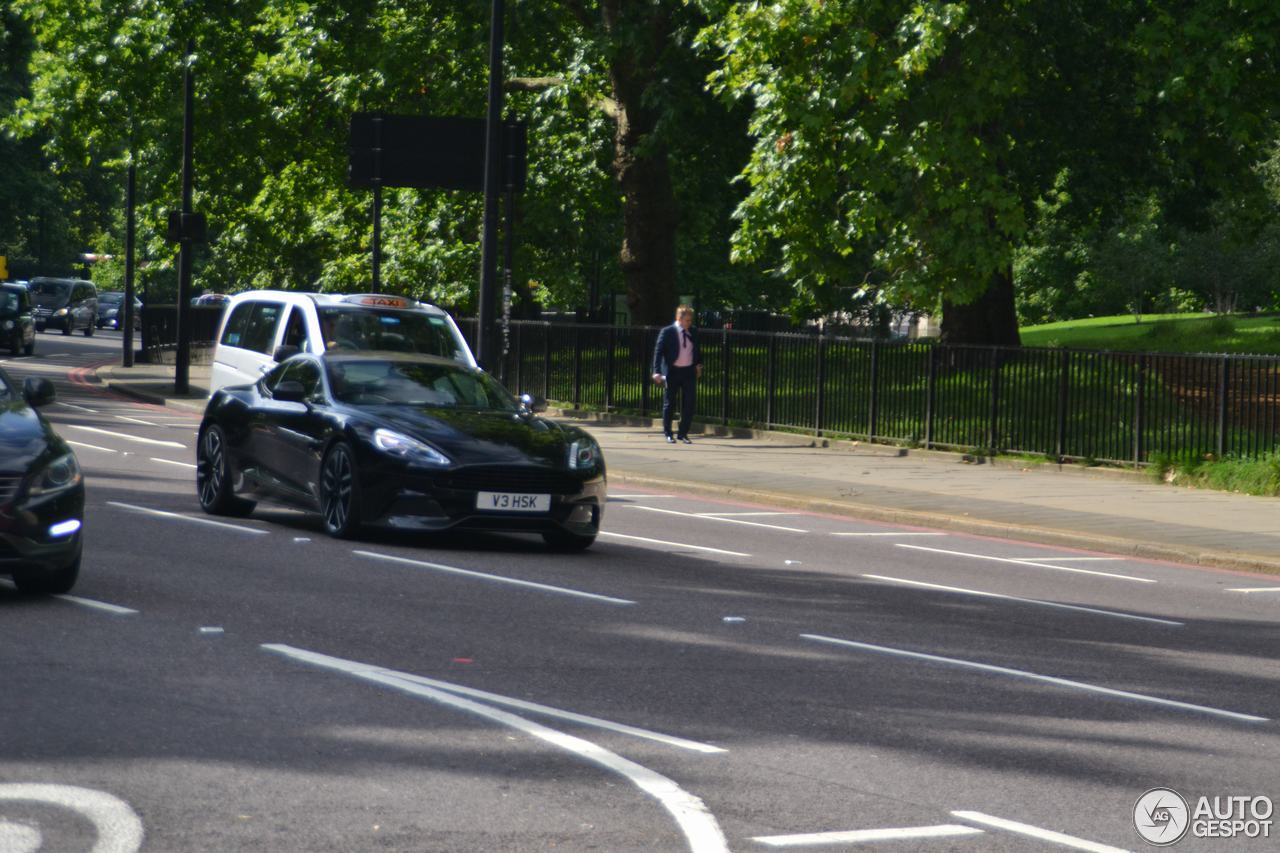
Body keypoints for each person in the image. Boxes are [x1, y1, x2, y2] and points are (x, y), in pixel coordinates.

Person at [651, 305, 702, 444]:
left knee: (689, 403)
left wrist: (698, 365)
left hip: (688, 372)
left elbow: (697, 350)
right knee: (670, 403)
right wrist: (657, 371)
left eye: (691, 320)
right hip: (673, 371)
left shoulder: (693, 331)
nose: (689, 323)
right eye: (687, 320)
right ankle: (668, 433)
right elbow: (658, 352)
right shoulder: (667, 332)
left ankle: (683, 433)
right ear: (679, 319)